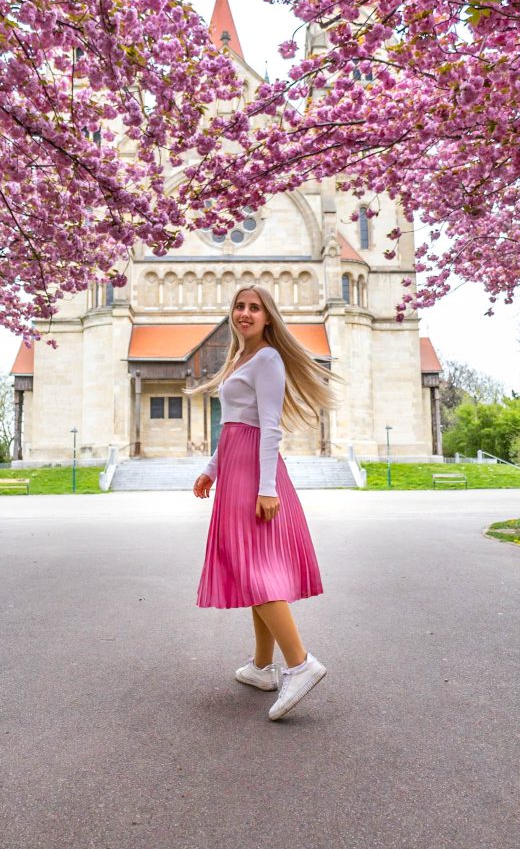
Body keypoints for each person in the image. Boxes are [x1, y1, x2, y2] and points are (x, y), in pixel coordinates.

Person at [190, 284, 340, 721]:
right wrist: (212, 469)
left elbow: (270, 426)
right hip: (235, 467)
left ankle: (300, 663)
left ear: (268, 317)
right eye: (239, 306)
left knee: (254, 568)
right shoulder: (240, 358)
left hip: (256, 474)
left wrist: (268, 487)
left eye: (254, 308)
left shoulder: (269, 359)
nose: (245, 313)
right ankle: (261, 667)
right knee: (249, 566)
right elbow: (234, 423)